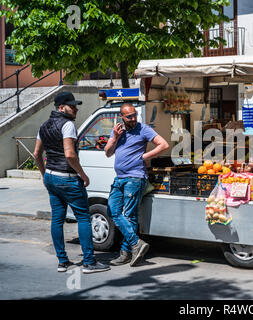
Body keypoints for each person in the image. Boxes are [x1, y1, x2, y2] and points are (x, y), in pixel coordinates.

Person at [33, 91, 110, 274]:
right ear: (61, 108)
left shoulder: (43, 126)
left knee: (57, 219)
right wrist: (82, 175)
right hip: (67, 178)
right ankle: (89, 262)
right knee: (83, 217)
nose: (75, 109)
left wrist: (44, 175)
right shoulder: (67, 125)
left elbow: (37, 154)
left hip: (51, 176)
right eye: (72, 106)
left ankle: (62, 261)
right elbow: (69, 154)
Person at [104, 103, 169, 267]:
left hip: (135, 177)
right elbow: (107, 152)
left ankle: (126, 253)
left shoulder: (144, 129)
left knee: (130, 215)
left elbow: (163, 144)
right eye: (129, 116)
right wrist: (114, 137)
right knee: (113, 211)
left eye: (134, 115)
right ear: (122, 117)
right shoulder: (118, 131)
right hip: (119, 178)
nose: (133, 119)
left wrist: (144, 156)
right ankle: (136, 243)